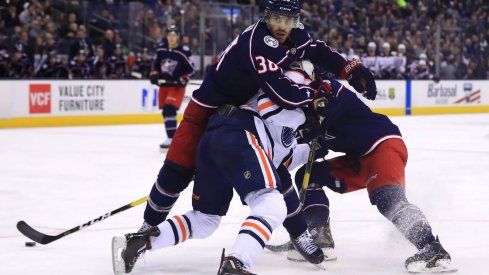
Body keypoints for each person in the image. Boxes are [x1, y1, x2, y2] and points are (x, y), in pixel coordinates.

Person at [131, 0, 376, 270]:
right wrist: (316, 98)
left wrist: (350, 67)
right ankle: (146, 230)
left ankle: (300, 234)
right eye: (277, 19)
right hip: (207, 112)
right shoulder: (256, 42)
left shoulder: (292, 35)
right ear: (266, 16)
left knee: (274, 171)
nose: (283, 26)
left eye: (289, 20)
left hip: (246, 116)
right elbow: (281, 92)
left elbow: (316, 49)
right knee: (177, 171)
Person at [112, 63, 330, 274]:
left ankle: (141, 241)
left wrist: (310, 149)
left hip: (217, 139)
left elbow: (276, 162)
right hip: (239, 132)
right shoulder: (295, 81)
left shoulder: (293, 133)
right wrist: (308, 116)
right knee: (272, 203)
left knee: (205, 220)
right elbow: (268, 105)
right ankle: (236, 264)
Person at [288, 77, 455, 273]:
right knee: (310, 175)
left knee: (388, 199)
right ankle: (319, 236)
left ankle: (431, 248)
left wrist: (316, 122)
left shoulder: (324, 88)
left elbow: (338, 102)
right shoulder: (296, 116)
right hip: (358, 158)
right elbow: (314, 149)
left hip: (381, 144)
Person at [150, 25, 195, 150]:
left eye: (174, 35)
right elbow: (155, 66)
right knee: (165, 112)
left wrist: (184, 78)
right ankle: (172, 138)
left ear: (178, 37)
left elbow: (191, 69)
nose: (171, 38)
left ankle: (172, 139)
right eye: (169, 35)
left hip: (176, 87)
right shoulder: (161, 50)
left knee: (169, 109)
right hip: (164, 86)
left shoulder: (183, 51)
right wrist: (154, 75)